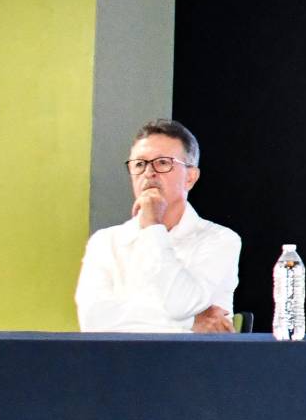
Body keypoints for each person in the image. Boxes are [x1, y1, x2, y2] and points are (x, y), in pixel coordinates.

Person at [76, 119, 240, 332]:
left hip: (192, 362)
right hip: (119, 362)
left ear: (190, 177)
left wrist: (153, 226)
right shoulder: (105, 242)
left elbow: (179, 305)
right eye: (139, 164)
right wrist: (190, 322)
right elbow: (94, 321)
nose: (148, 173)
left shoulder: (220, 240)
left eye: (163, 163)